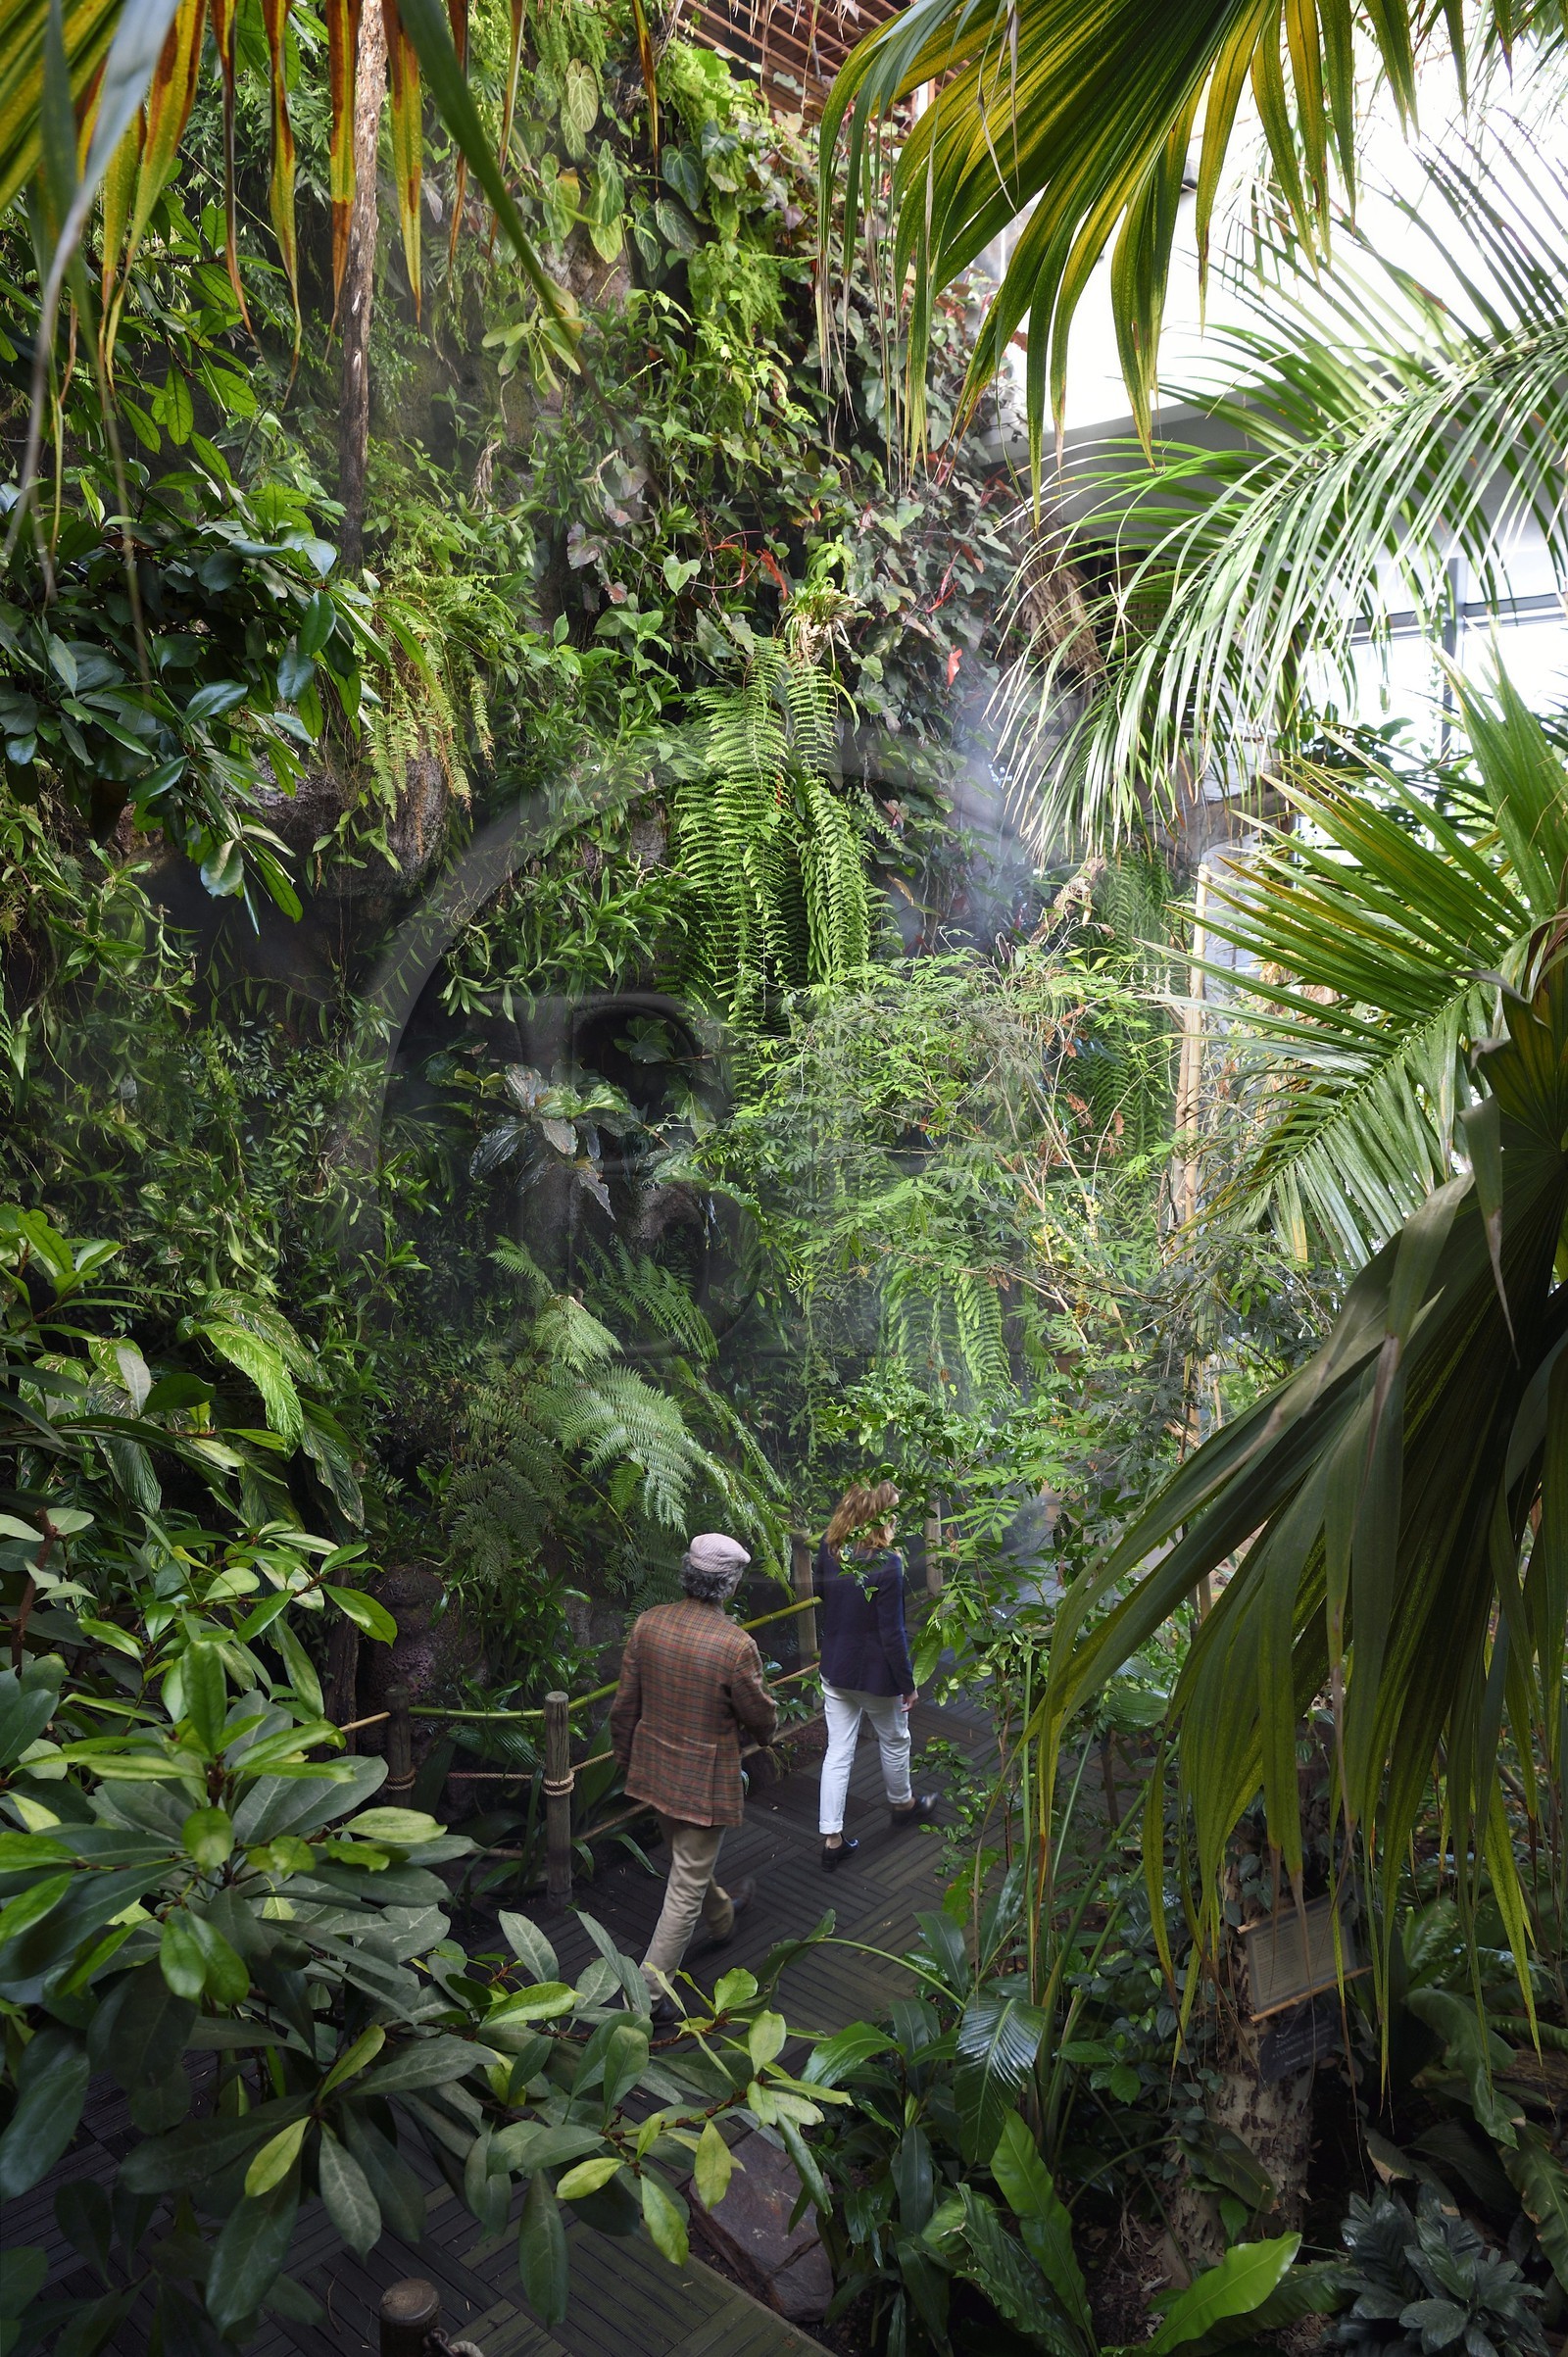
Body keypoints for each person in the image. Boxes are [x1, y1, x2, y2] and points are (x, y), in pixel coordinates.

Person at [610, 1530, 776, 2022]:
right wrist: (769, 1729)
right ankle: (644, 2000)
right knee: (683, 1885)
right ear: (730, 1584)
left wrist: (626, 1759)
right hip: (702, 1782)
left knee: (687, 1864)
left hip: (654, 1770)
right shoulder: (735, 1645)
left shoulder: (648, 1624)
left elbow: (625, 1708)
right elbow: (760, 1718)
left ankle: (723, 1918)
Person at [813, 1480, 935, 1869]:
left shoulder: (829, 1550)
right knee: (895, 1741)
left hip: (835, 1668)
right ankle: (903, 1805)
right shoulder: (888, 1564)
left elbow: (822, 1598)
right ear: (879, 1516)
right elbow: (892, 1634)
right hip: (876, 1677)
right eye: (893, 1510)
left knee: (838, 1751)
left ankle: (832, 1839)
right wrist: (907, 1684)